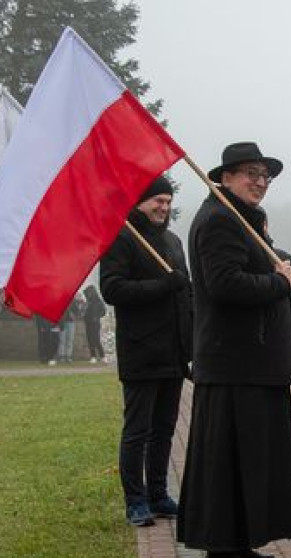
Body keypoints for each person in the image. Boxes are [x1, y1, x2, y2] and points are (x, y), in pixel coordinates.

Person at [177, 141, 291, 558]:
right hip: (236, 363)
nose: (259, 182)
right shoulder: (219, 221)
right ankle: (223, 549)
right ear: (225, 177)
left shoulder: (238, 219)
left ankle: (240, 541)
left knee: (249, 458)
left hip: (250, 363)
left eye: (264, 176)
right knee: (229, 460)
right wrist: (279, 280)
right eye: (250, 173)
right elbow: (225, 285)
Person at [100, 175, 193, 527]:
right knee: (137, 430)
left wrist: (191, 342)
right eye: (157, 201)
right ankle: (135, 501)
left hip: (173, 353)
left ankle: (158, 494)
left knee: (164, 428)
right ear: (140, 202)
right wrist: (162, 286)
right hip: (140, 349)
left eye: (168, 202)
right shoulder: (121, 237)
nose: (163, 208)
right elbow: (113, 289)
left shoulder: (172, 240)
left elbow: (185, 291)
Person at [53, 296, 82, 364]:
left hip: (71, 322)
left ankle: (68, 356)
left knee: (70, 339)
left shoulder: (73, 300)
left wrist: (74, 315)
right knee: (62, 340)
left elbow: (77, 312)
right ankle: (62, 356)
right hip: (62, 322)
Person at [82, 284, 107, 363]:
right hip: (88, 323)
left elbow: (103, 311)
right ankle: (93, 356)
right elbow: (84, 311)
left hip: (95, 323)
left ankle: (102, 356)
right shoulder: (88, 302)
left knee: (96, 339)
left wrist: (97, 316)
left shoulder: (98, 301)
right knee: (90, 340)